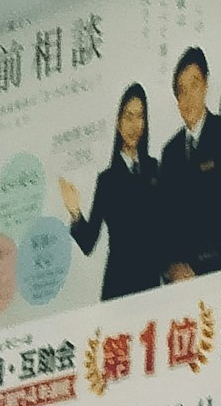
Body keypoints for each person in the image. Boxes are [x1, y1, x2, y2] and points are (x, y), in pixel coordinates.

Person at [58, 81, 161, 292]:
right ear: (118, 122)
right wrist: (75, 213)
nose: (134, 125)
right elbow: (88, 243)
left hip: (151, 282)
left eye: (140, 116)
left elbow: (165, 226)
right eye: (128, 117)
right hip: (119, 284)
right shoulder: (108, 180)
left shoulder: (154, 168)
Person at [157, 44, 221, 277]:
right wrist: (171, 266)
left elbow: (219, 206)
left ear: (206, 85)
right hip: (177, 277)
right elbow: (163, 217)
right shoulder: (170, 152)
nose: (188, 97)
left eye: (194, 85)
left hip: (214, 266)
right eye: (181, 90)